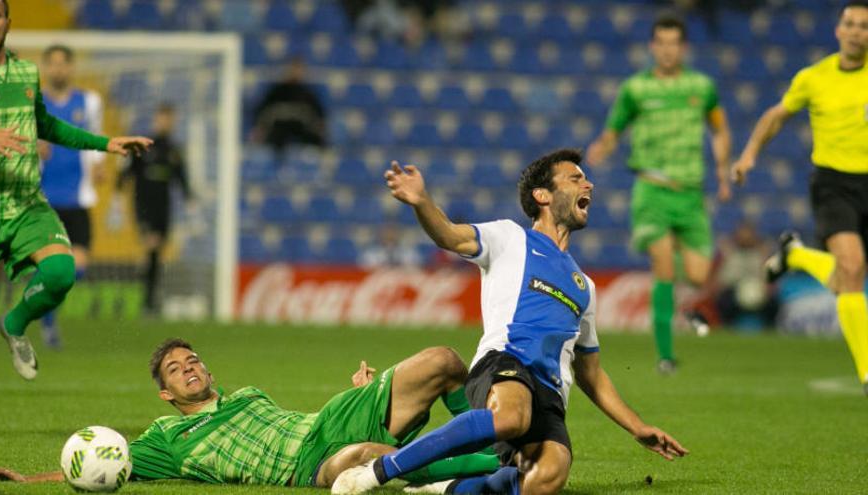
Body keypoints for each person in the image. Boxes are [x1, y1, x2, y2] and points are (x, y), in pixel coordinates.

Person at [331, 149, 688, 495]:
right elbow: (449, 235)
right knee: (512, 417)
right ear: (542, 195)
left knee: (549, 476)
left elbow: (591, 373)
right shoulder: (509, 238)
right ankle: (379, 470)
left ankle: (449, 489)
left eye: (587, 179)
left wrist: (637, 427)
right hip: (505, 363)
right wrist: (422, 201)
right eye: (575, 178)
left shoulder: (585, 287)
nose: (589, 185)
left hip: (549, 395)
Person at [0, 338, 506, 489]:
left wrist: (362, 393)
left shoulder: (245, 394)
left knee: (443, 361)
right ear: (165, 394)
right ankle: (499, 472)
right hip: (309, 466)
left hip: (327, 420)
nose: (189, 368)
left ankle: (491, 446)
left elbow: (293, 422)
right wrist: (27, 478)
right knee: (369, 457)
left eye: (192, 360)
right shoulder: (167, 437)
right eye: (175, 369)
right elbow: (102, 463)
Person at [0, 0, 152, 380]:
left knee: (62, 272)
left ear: (8, 23)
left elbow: (47, 125)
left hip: (25, 204)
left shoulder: (25, 74)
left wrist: (105, 143)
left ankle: (13, 324)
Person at [731, 1, 868, 393]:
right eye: (851, 24)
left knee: (847, 277)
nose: (857, 31)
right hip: (834, 185)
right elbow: (776, 116)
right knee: (853, 268)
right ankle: (866, 372)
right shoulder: (815, 77)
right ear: (839, 31)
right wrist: (749, 154)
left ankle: (797, 255)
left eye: (864, 26)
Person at [586, 14, 732, 373]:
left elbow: (719, 129)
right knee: (663, 266)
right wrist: (602, 146)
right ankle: (666, 356)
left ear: (683, 48)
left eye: (674, 44)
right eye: (661, 44)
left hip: (691, 194)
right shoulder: (636, 89)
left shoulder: (702, 86)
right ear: (653, 47)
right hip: (651, 190)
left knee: (698, 275)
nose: (667, 50)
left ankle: (672, 304)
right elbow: (614, 128)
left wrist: (723, 170)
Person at [36, 44, 104, 349]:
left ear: (71, 68)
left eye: (64, 64)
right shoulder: (34, 103)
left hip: (78, 199)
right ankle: (45, 321)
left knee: (78, 267)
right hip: (44, 199)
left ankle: (46, 314)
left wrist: (100, 165)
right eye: (53, 64)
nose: (58, 69)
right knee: (53, 268)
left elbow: (96, 138)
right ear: (46, 68)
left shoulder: (88, 102)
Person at [114, 104, 190, 315]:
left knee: (156, 252)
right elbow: (127, 171)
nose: (166, 122)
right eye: (163, 118)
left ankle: (149, 295)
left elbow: (181, 176)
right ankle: (147, 297)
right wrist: (118, 189)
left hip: (164, 207)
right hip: (144, 204)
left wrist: (188, 196)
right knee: (151, 245)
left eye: (169, 118)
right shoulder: (144, 145)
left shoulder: (174, 149)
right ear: (156, 119)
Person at [251, 57, 326, 153]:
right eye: (293, 69)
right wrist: (259, 129)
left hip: (301, 128)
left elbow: (319, 116)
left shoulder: (308, 94)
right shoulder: (276, 92)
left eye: (298, 69)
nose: (295, 72)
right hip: (279, 128)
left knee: (316, 143)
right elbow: (262, 111)